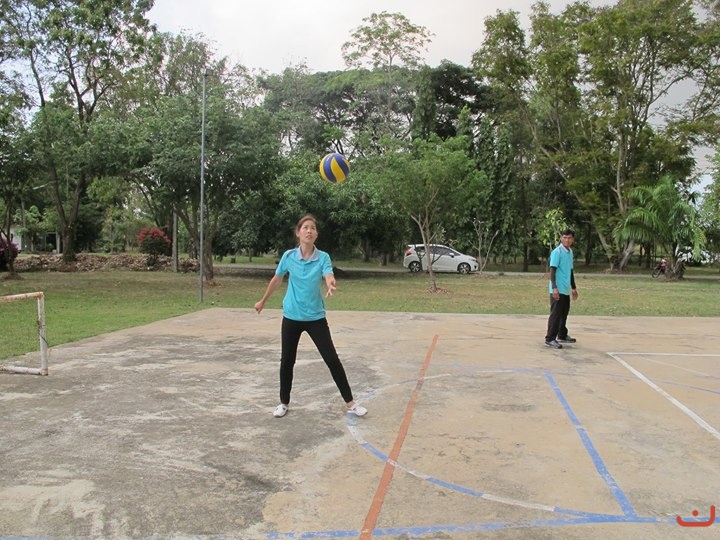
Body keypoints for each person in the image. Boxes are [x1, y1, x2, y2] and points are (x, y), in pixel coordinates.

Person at [254, 214, 368, 418]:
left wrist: (331, 282)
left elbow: (328, 274)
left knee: (331, 358)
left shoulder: (323, 257)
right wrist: (263, 301)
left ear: (316, 234)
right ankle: (283, 403)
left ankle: (350, 403)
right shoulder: (289, 256)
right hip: (292, 316)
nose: (309, 231)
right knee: (287, 361)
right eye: (305, 227)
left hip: (315, 318)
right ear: (298, 233)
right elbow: (277, 279)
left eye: (313, 228)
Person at [544, 229, 579, 349]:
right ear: (561, 238)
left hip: (565, 288)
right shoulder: (557, 252)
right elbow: (552, 271)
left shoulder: (570, 252)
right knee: (556, 314)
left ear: (572, 239)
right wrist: (554, 288)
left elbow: (570, 271)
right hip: (557, 289)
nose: (567, 240)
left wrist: (573, 288)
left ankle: (562, 335)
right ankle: (550, 338)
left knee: (564, 313)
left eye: (569, 238)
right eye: (564, 237)